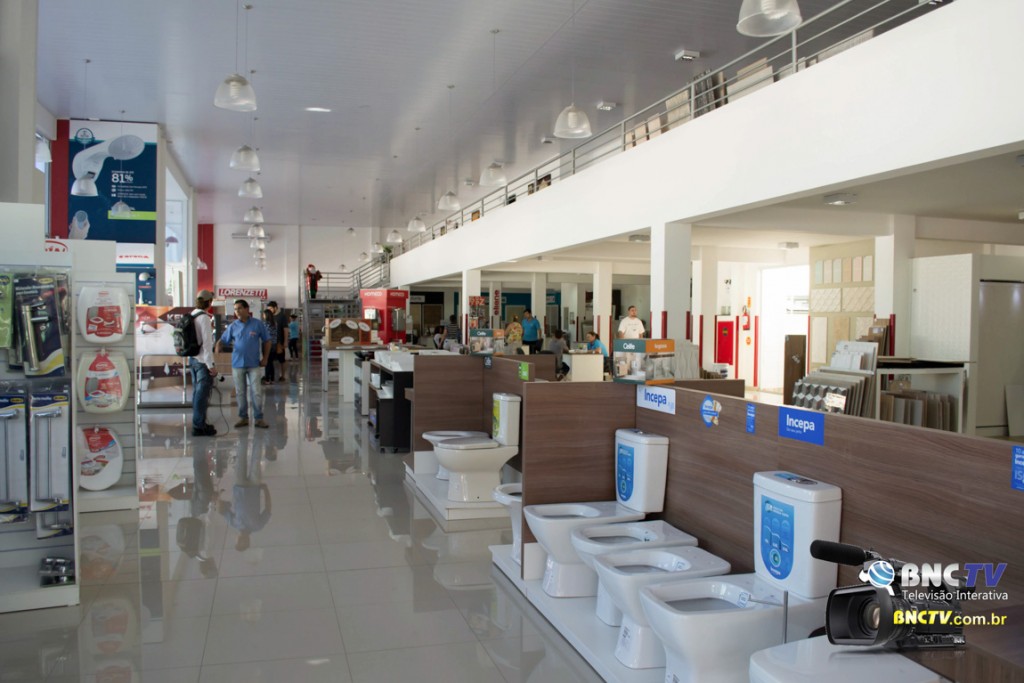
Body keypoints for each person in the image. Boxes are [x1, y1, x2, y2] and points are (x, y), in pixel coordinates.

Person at [216, 299, 271, 429]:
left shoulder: (257, 324)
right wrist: (218, 345)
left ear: (247, 309)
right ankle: (243, 418)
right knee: (240, 392)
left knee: (256, 392)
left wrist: (265, 358)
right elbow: (223, 339)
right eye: (235, 309)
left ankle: (258, 418)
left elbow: (267, 341)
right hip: (237, 364)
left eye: (240, 308)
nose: (237, 311)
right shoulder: (233, 326)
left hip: (254, 364)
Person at [189, 290, 218, 437]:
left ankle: (198, 422)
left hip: (193, 359)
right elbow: (207, 344)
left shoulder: (192, 314)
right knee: (202, 395)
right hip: (202, 362)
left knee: (197, 393)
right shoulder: (204, 318)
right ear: (209, 302)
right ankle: (199, 426)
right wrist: (210, 365)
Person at [266, 301, 289, 381]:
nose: (269, 310)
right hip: (270, 343)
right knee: (269, 360)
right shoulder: (269, 316)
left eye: (270, 308)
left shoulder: (282, 317)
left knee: (281, 360)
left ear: (275, 308)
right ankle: (270, 376)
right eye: (268, 309)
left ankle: (283, 375)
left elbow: (285, 329)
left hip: (279, 342)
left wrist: (285, 341)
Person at [260, 309, 278, 385]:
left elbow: (263, 334)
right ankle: (272, 379)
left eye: (263, 314)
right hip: (274, 344)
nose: (263, 316)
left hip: (266, 344)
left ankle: (267, 379)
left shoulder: (264, 324)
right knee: (271, 362)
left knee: (266, 361)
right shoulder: (275, 323)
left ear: (266, 315)